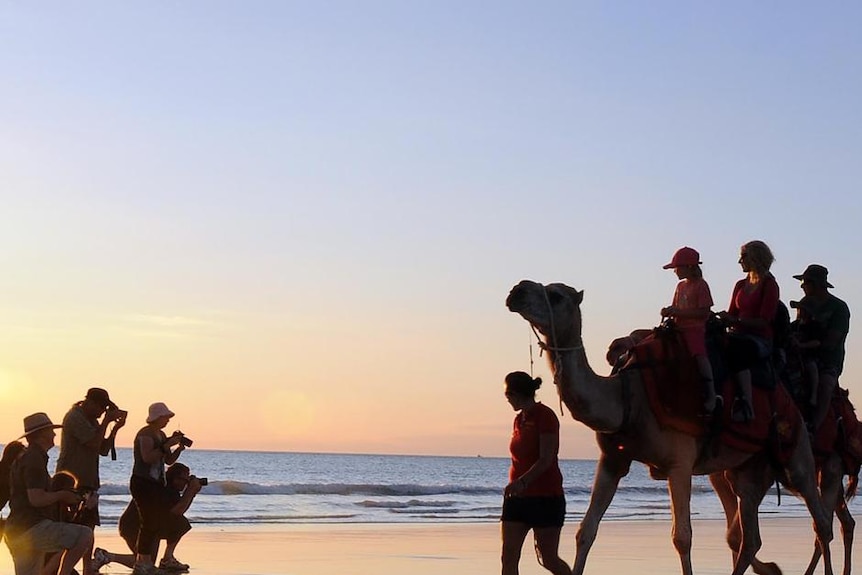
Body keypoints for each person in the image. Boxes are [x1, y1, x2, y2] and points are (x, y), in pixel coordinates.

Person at [3, 413, 93, 575]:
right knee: (84, 535)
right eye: (50, 431)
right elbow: (36, 499)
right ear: (41, 435)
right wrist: (62, 495)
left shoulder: (24, 457)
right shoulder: (34, 458)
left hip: (16, 531)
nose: (54, 434)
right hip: (31, 527)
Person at [500, 371, 570, 575]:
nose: (507, 400)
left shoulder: (545, 416)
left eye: (508, 395)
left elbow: (547, 458)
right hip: (517, 499)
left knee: (547, 559)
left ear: (518, 393)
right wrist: (517, 485)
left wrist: (523, 481)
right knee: (508, 556)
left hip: (545, 497)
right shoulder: (518, 420)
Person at [55, 387, 127, 575]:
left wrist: (115, 429)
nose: (103, 412)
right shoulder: (75, 417)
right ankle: (63, 568)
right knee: (70, 525)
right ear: (90, 402)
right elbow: (93, 443)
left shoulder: (92, 421)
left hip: (88, 479)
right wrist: (106, 422)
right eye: (102, 408)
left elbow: (102, 449)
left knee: (88, 526)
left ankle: (87, 569)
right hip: (71, 480)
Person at [93, 462, 202, 572]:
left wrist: (192, 493)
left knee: (147, 562)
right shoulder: (164, 488)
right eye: (185, 479)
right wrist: (191, 490)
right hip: (133, 526)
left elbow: (178, 512)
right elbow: (177, 512)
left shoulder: (171, 489)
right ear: (175, 478)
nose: (186, 483)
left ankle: (106, 557)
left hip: (147, 527)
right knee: (147, 561)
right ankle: (167, 559)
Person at [717, 240, 780, 422]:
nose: (740, 261)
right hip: (738, 334)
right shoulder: (740, 285)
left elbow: (764, 322)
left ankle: (746, 403)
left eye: (743, 256)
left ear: (755, 257)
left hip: (759, 340)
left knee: (737, 351)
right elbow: (731, 313)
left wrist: (735, 321)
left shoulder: (769, 285)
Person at [128, 402, 188, 575]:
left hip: (155, 483)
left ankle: (144, 562)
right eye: (166, 417)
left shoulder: (160, 434)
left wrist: (178, 448)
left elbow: (168, 461)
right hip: (142, 482)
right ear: (157, 417)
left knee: (152, 522)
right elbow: (147, 458)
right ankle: (143, 562)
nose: (168, 420)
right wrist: (166, 445)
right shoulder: (145, 434)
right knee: (148, 521)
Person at [792, 264, 851, 432]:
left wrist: (806, 345)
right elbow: (799, 327)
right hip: (802, 355)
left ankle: (814, 427)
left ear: (817, 284)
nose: (802, 286)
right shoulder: (804, 303)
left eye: (805, 282)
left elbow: (832, 341)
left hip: (828, 361)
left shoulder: (839, 308)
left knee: (825, 385)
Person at [660, 246, 717, 413]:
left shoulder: (701, 285)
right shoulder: (680, 287)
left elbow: (704, 312)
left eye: (677, 268)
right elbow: (676, 306)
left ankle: (711, 393)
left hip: (694, 328)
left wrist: (677, 312)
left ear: (689, 267)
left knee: (698, 355)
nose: (675, 272)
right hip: (678, 327)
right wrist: (670, 311)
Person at [789, 297, 822, 409]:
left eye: (802, 309)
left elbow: (817, 342)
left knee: (812, 367)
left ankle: (813, 395)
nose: (799, 311)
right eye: (798, 309)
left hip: (808, 356)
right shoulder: (793, 325)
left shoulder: (814, 326)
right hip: (792, 355)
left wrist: (802, 345)